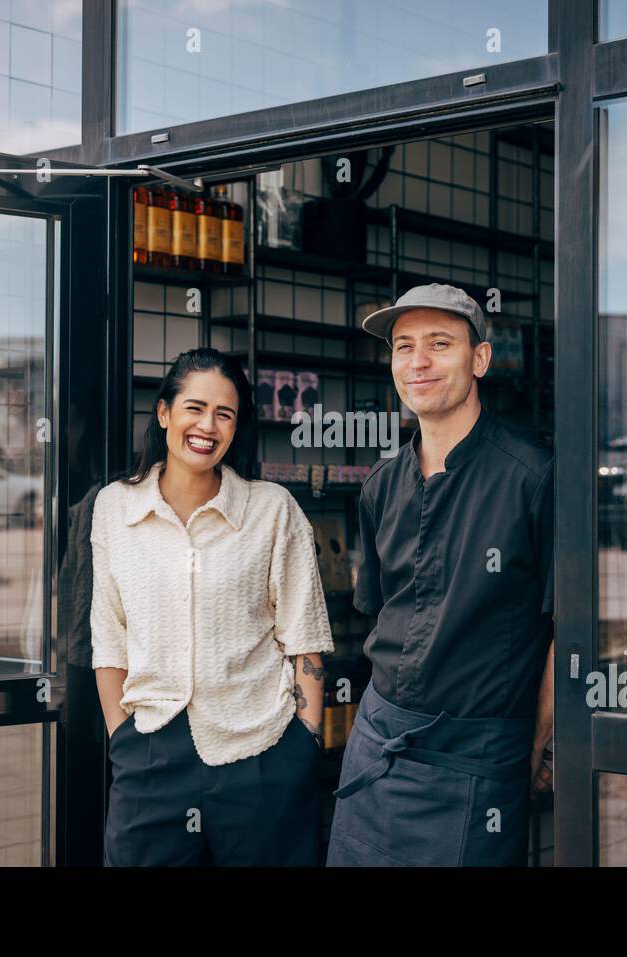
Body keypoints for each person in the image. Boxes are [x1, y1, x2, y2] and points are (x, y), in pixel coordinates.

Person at [325, 284, 555, 867]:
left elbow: (563, 631)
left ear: (479, 359)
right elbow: (383, 609)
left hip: (475, 757)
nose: (418, 362)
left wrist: (534, 745)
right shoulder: (380, 485)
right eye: (403, 347)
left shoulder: (532, 477)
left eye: (439, 344)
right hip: (377, 742)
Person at [91, 347, 334, 866]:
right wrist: (123, 737)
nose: (208, 426)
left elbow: (305, 633)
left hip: (261, 753)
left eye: (224, 414)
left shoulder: (271, 509)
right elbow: (107, 633)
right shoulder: (115, 507)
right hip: (151, 754)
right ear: (164, 414)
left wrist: (304, 741)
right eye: (194, 408)